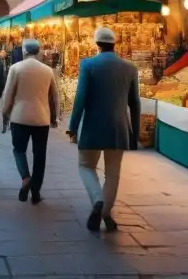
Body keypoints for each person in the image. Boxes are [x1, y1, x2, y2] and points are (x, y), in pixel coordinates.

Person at [67, 27, 140, 233]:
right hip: (119, 128)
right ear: (114, 44)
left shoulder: (88, 65)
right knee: (113, 174)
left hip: (92, 127)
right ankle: (106, 213)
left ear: (96, 43)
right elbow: (134, 103)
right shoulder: (130, 68)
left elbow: (80, 98)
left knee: (85, 166)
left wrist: (72, 127)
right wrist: (135, 132)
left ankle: (98, 201)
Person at [1, 39, 59, 205]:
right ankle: (36, 191)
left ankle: (26, 177)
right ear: (38, 51)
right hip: (42, 118)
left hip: (19, 117)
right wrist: (56, 117)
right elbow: (55, 96)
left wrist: (5, 113)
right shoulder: (47, 70)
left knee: (19, 150)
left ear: (24, 52)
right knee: (40, 155)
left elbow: (8, 93)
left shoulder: (16, 68)